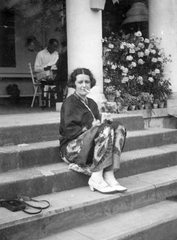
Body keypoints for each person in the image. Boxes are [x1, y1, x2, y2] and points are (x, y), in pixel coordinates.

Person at [59, 68, 127, 194]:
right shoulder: (69, 103)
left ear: (91, 84)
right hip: (71, 149)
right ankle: (96, 177)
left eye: (87, 82)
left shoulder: (91, 103)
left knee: (118, 127)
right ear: (74, 84)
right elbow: (69, 132)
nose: (84, 85)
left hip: (90, 147)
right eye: (80, 82)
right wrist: (91, 127)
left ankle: (109, 173)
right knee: (105, 130)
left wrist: (105, 121)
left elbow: (99, 126)